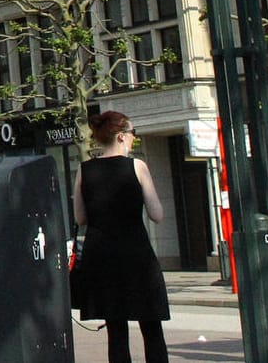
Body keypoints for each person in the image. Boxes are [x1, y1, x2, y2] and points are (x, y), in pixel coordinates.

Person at [73, 111, 169, 363]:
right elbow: (156, 214)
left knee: (116, 329)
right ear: (121, 136)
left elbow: (80, 218)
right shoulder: (137, 167)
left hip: (101, 255)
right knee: (151, 325)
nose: (134, 139)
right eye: (133, 134)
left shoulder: (84, 170)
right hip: (135, 254)